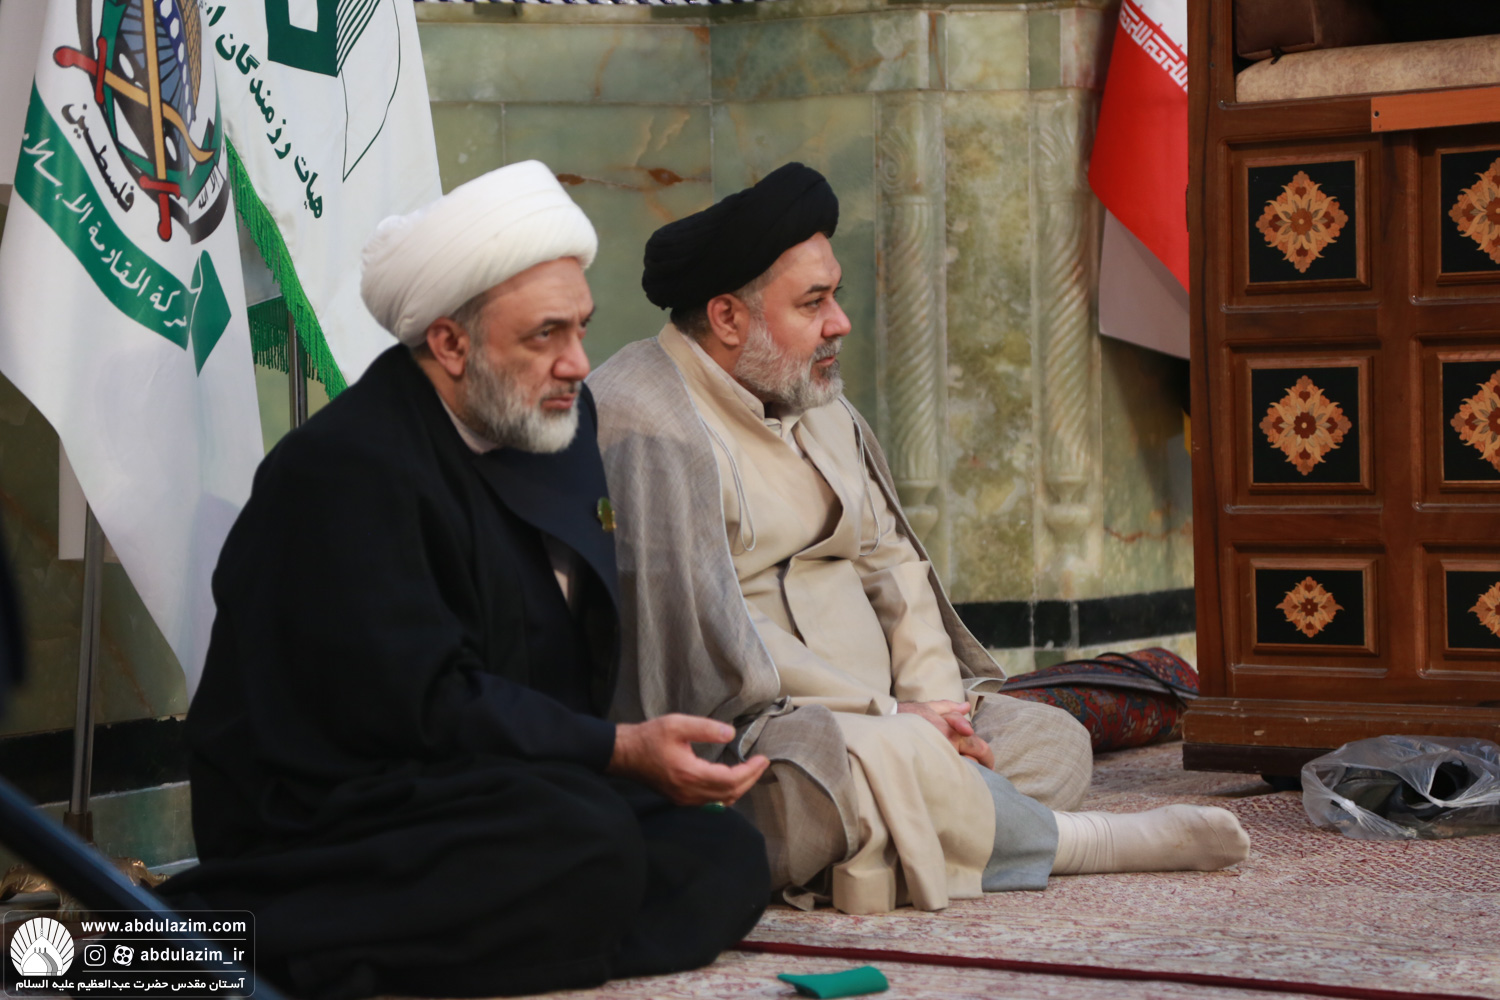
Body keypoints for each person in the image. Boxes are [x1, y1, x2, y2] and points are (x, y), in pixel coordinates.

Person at [161, 161, 771, 1000]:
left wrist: (595, 762)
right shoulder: (345, 468)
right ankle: (226, 941)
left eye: (581, 329)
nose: (577, 364)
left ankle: (478, 938)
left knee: (723, 853)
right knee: (586, 841)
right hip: (332, 809)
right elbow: (418, 706)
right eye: (544, 336)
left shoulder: (547, 420)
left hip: (496, 787)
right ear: (450, 344)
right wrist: (617, 751)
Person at [588, 163, 1250, 917]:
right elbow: (709, 635)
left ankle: (931, 814)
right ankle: (1077, 842)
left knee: (1051, 741)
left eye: (834, 294)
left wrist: (937, 707)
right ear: (728, 319)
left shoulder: (812, 395)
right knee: (816, 788)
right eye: (813, 302)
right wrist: (886, 717)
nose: (840, 321)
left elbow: (893, 564)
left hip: (897, 716)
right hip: (778, 724)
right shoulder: (649, 424)